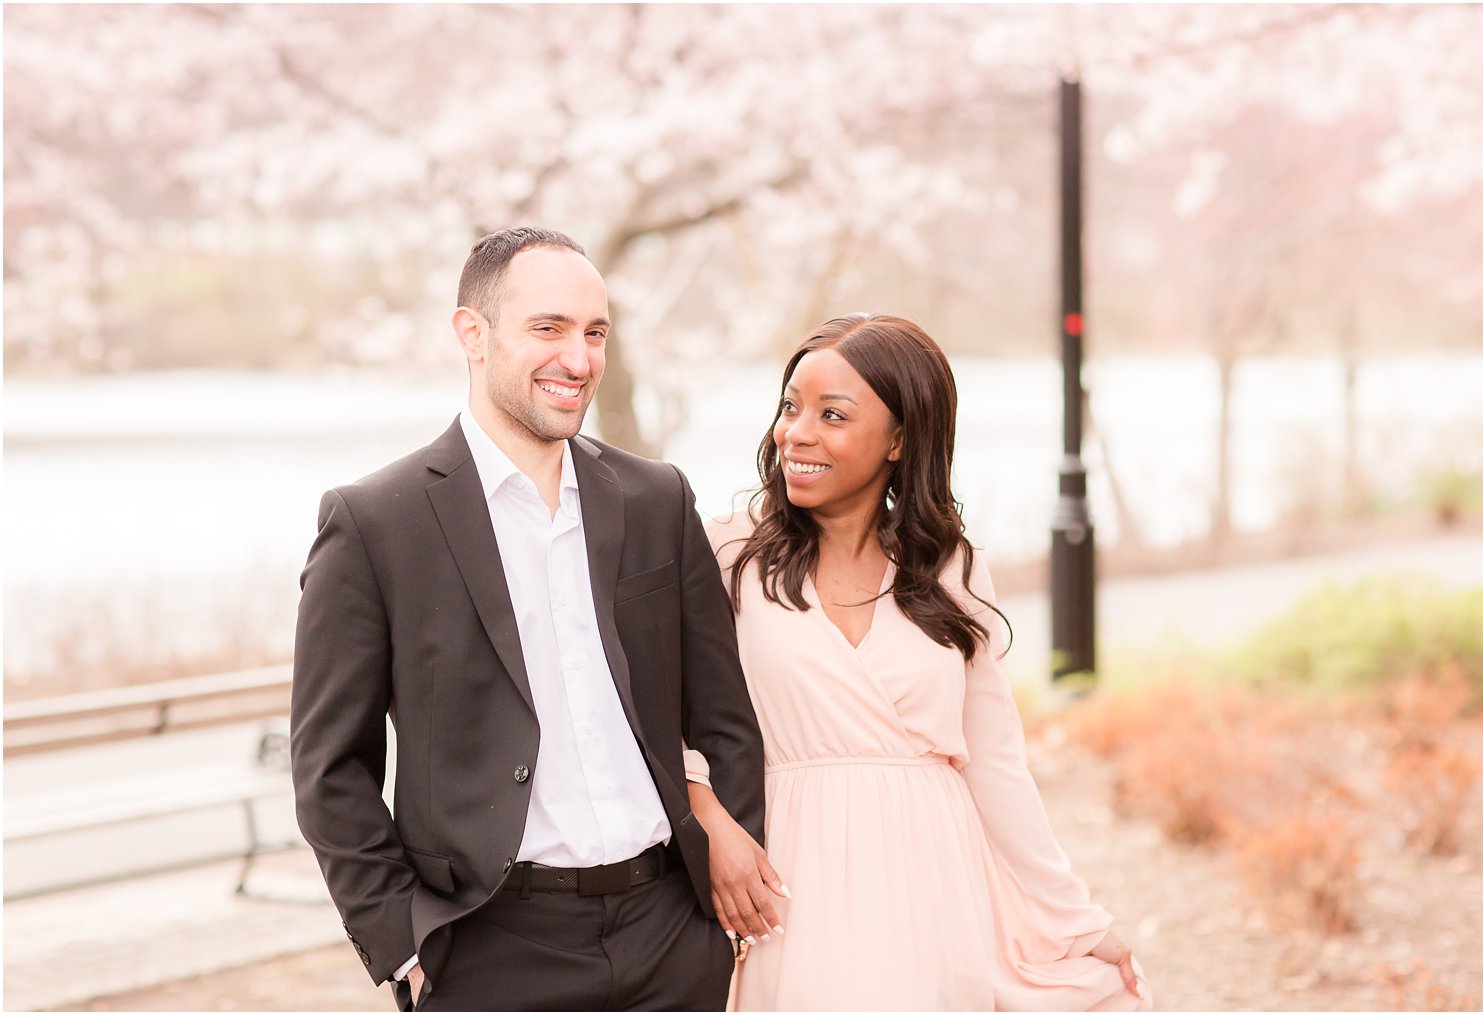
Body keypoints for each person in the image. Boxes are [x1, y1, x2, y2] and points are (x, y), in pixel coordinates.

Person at [291, 227, 765, 1011]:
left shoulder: (656, 499)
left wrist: (718, 888)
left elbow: (724, 713)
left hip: (672, 937)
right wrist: (402, 940)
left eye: (594, 333)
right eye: (547, 328)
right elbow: (329, 766)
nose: (577, 360)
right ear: (471, 334)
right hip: (490, 953)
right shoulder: (376, 522)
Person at [683, 314, 1152, 1011]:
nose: (797, 433)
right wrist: (712, 823)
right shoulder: (730, 553)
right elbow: (659, 712)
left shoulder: (951, 569)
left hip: (934, 873)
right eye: (790, 406)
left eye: (831, 414)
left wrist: (1078, 922)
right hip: (789, 872)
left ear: (901, 438)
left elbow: (995, 764)